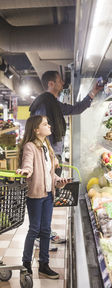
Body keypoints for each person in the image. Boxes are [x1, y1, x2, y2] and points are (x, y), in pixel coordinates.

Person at [29, 70, 103, 246]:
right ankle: (40, 235)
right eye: (60, 81)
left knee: (49, 196)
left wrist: (93, 92)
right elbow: (38, 132)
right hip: (46, 159)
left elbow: (75, 109)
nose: (63, 84)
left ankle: (44, 231)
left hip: (53, 156)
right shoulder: (44, 103)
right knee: (43, 196)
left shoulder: (53, 103)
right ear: (51, 84)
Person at [16, 115, 69, 278]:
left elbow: (49, 174)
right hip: (35, 195)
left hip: (48, 195)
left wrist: (59, 181)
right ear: (36, 129)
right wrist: (26, 171)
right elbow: (28, 164)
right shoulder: (29, 147)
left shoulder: (47, 146)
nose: (49, 126)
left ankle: (44, 264)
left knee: (46, 230)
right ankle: (26, 263)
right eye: (45, 124)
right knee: (34, 229)